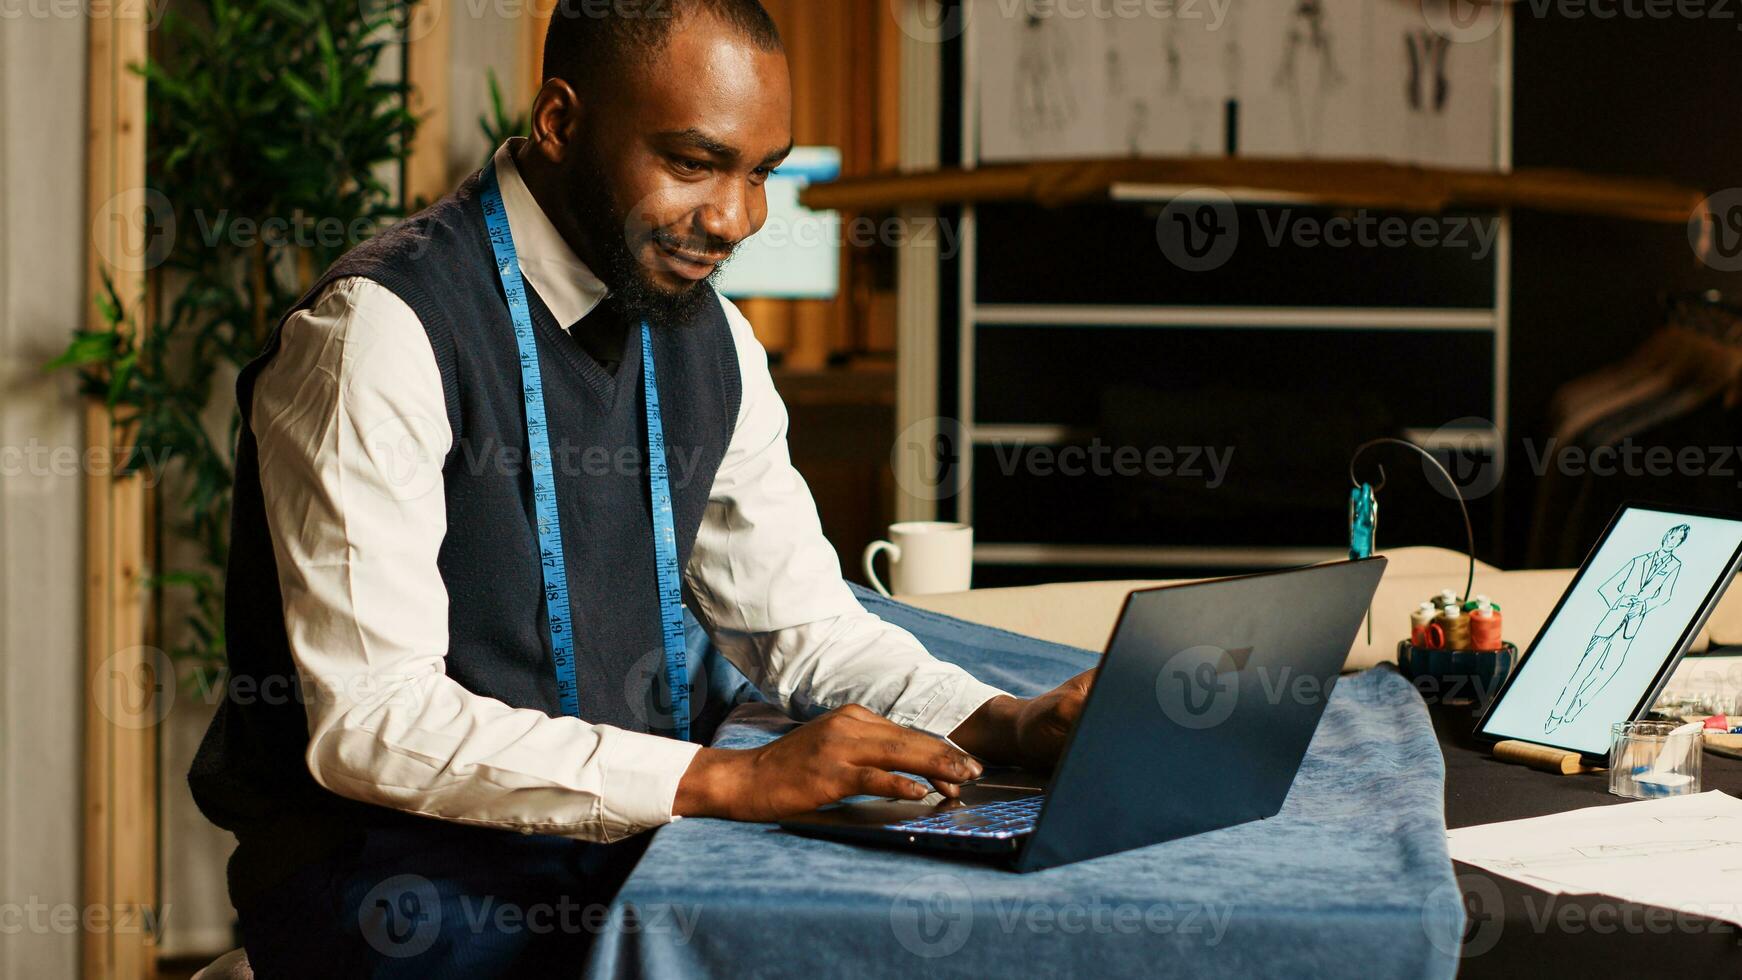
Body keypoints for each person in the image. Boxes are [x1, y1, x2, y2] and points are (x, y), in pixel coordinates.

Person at [187, 1, 1092, 973]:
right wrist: (724, 779)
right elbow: (374, 724)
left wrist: (1005, 719)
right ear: (560, 122)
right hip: (395, 881)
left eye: (761, 173)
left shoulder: (716, 340)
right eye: (693, 163)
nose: (736, 217)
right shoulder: (380, 332)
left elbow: (804, 629)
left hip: (633, 847)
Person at [1546, 523, 1687, 731]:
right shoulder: (1639, 560)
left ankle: (1576, 706)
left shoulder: (1674, 566)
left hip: (1630, 627)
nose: (1671, 540)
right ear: (1665, 536)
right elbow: (1608, 586)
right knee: (1584, 669)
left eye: (1676, 539)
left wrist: (1644, 606)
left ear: (1680, 543)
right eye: (1670, 536)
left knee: (1608, 670)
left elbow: (1664, 596)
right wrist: (1620, 601)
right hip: (1611, 621)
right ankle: (1556, 715)